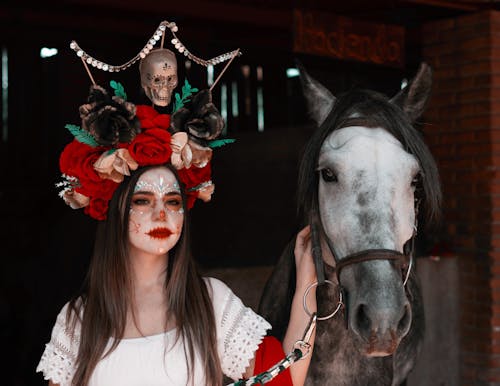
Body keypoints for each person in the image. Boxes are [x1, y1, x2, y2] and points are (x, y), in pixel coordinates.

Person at [36, 25, 317, 383]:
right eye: (142, 200)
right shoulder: (79, 320)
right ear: (116, 210)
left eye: (172, 201)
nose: (161, 213)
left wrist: (308, 279)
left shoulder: (210, 304)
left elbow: (283, 379)